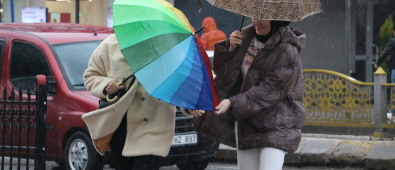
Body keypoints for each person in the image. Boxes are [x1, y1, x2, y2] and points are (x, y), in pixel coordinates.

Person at [189, 19, 306, 170]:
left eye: (262, 16)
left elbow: (270, 90)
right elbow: (224, 75)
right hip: (247, 121)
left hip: (277, 123)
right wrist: (230, 49)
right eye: (254, 15)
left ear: (275, 20)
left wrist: (232, 102)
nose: (256, 21)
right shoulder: (244, 38)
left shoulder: (287, 50)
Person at [82, 34, 176, 170]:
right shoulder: (109, 45)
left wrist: (191, 106)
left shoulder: (164, 46)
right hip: (121, 123)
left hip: (154, 122)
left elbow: (180, 80)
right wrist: (106, 85)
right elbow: (91, 76)